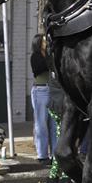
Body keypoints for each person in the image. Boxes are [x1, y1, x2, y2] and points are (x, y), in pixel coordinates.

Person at [30, 34, 58, 164]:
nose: (46, 43)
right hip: (40, 90)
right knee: (41, 124)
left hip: (51, 90)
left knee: (54, 124)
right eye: (44, 41)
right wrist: (50, 61)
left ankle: (55, 154)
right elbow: (39, 69)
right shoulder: (35, 56)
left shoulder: (49, 54)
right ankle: (42, 155)